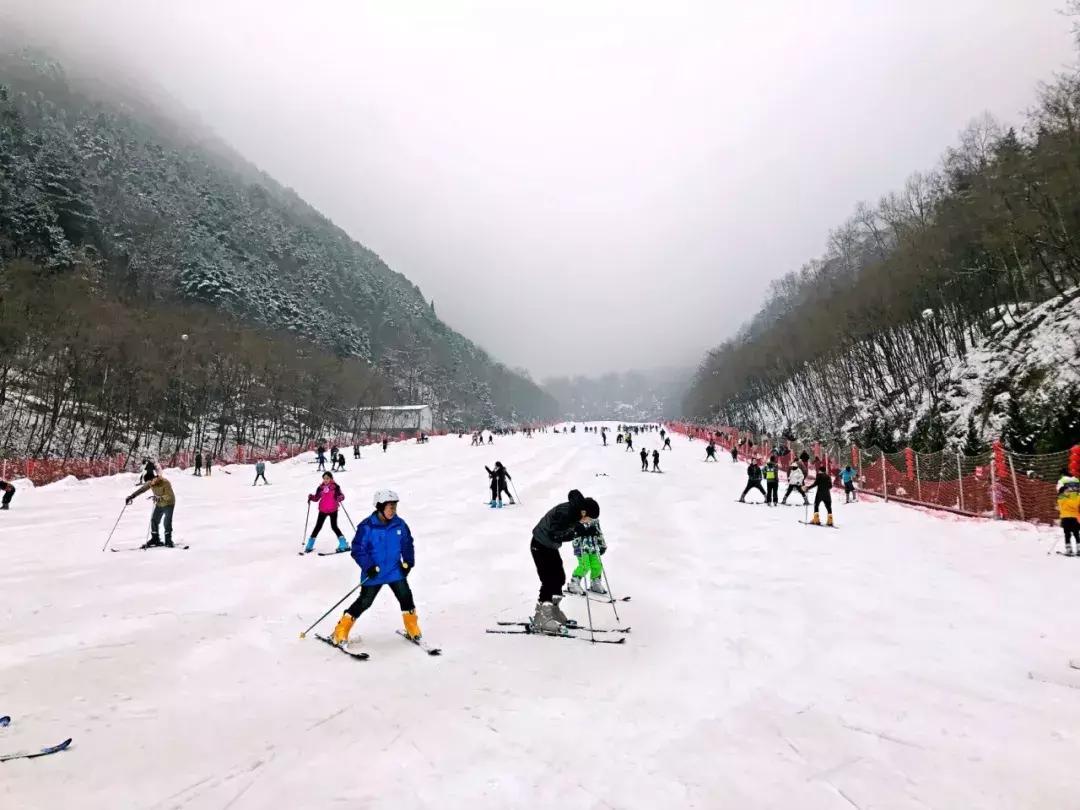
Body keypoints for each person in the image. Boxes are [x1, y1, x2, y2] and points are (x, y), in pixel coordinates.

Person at [330, 489, 422, 645]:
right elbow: (358, 549)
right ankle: (341, 630)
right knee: (365, 602)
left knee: (406, 597)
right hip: (374, 573)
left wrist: (408, 561)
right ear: (380, 507)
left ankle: (411, 625)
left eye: (395, 507)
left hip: (394, 571)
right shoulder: (367, 527)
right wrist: (369, 566)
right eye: (390, 507)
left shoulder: (400, 524)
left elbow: (407, 544)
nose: (393, 510)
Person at [530, 489, 600, 633]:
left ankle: (553, 610)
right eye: (589, 518)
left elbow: (569, 529)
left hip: (549, 546)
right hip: (540, 544)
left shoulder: (575, 512)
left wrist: (583, 530)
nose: (588, 521)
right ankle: (541, 618)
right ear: (584, 512)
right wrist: (576, 531)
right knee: (549, 579)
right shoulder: (566, 512)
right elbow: (555, 534)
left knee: (559, 578)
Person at [125, 473, 177, 547]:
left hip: (169, 503)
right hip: (159, 504)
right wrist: (132, 496)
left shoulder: (165, 482)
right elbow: (142, 490)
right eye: (148, 482)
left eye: (150, 481)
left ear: (154, 478)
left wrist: (159, 497)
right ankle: (155, 538)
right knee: (154, 520)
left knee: (167, 521)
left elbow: (169, 496)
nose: (150, 483)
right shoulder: (150, 482)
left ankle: (168, 540)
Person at [304, 472, 348, 554]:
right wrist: (311, 497)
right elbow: (316, 498)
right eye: (324, 478)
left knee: (334, 526)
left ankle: (343, 544)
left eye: (327, 478)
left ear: (331, 478)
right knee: (318, 526)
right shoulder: (320, 488)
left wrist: (339, 497)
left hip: (333, 510)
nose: (325, 480)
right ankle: (309, 546)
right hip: (323, 510)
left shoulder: (335, 487)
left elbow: (342, 496)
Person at [1058, 470, 1080, 556]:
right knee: (1070, 534)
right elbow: (1074, 504)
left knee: (1074, 534)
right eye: (1066, 491)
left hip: (1070, 518)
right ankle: (1070, 549)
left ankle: (1075, 549)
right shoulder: (1063, 499)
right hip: (1069, 518)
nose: (1068, 491)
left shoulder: (1062, 498)